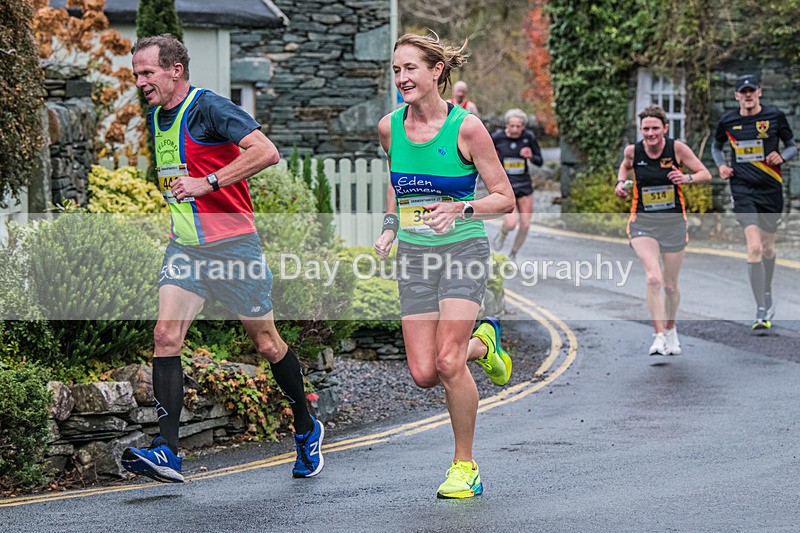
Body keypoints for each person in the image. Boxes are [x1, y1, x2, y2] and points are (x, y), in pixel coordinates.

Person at [121, 34, 324, 483]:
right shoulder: (158, 116)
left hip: (234, 247)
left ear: (175, 70)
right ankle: (169, 452)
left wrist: (207, 183)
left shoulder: (210, 108)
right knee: (165, 335)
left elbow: (265, 152)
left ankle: (307, 427)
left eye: (147, 72)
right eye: (136, 74)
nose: (140, 82)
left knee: (267, 343)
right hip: (186, 249)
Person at [373, 32, 515, 499]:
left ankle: (465, 466)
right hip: (414, 254)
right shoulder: (389, 127)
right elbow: (397, 181)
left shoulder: (467, 128)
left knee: (448, 361)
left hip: (462, 250)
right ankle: (485, 344)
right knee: (423, 373)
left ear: (436, 71)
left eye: (410, 68)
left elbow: (504, 198)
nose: (402, 78)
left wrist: (462, 209)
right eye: (396, 70)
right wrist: (391, 226)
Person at [616, 105, 711, 356]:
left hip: (673, 223)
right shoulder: (633, 151)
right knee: (653, 278)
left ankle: (670, 329)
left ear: (665, 129)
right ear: (641, 130)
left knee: (670, 285)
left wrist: (686, 178)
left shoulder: (677, 149)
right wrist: (621, 185)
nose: (650, 133)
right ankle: (658, 335)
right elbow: (625, 168)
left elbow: (705, 174)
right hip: (643, 223)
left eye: (655, 128)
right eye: (646, 128)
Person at [712, 74, 797, 331]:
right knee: (755, 247)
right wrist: (721, 166)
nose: (747, 95)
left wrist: (781, 156)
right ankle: (760, 308)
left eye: (751, 91)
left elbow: (793, 145)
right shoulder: (728, 120)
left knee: (769, 248)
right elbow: (716, 147)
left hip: (770, 188)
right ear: (736, 95)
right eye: (743, 91)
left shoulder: (774, 116)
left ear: (759, 92)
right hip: (743, 189)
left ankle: (767, 290)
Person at [491, 108, 544, 260]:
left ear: (523, 127)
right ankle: (503, 231)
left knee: (525, 224)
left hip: (524, 184)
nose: (515, 129)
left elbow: (540, 161)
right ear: (506, 125)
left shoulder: (529, 137)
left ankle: (513, 253)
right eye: (512, 126)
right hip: (505, 186)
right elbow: (486, 160)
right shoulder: (497, 138)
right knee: (511, 222)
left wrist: (531, 156)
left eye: (518, 126)